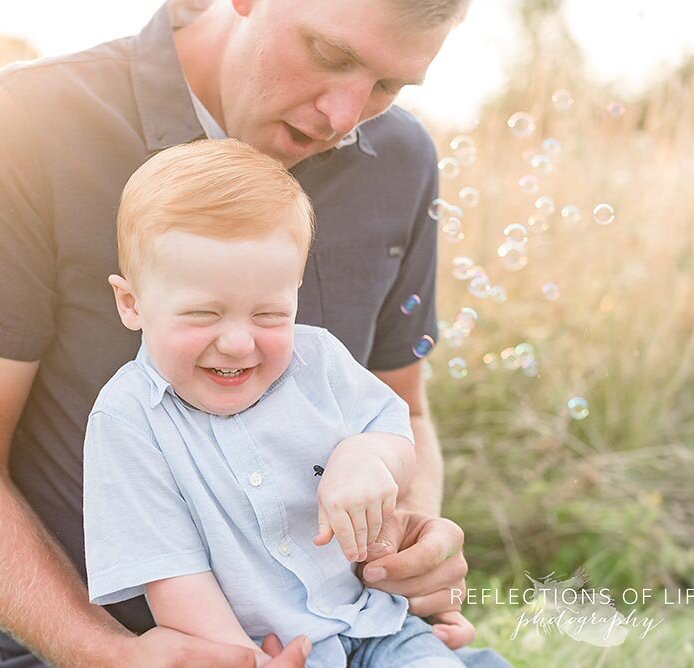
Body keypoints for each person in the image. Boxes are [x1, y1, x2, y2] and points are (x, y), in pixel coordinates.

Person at [0, 0, 493, 666]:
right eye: (330, 55)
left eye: (389, 87)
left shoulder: (400, 160)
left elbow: (400, 407)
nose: (344, 118)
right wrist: (105, 652)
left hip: (355, 629)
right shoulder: (23, 127)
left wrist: (403, 540)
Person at [83, 137, 479, 668]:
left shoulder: (319, 362)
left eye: (269, 315)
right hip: (270, 650)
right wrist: (245, 659)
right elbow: (173, 575)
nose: (239, 343)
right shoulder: (128, 419)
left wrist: (366, 456)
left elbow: (394, 430)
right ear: (131, 303)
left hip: (376, 624)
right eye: (203, 314)